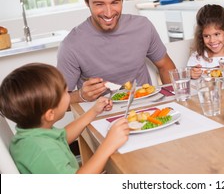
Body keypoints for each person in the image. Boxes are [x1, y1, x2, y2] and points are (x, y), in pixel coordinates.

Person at [57, 0, 176, 103]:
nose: (108, 13)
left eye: (114, 2)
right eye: (99, 4)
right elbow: (58, 103)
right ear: (86, 1)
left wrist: (174, 100)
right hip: (101, 117)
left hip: (145, 110)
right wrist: (82, 95)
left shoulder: (142, 26)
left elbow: (165, 66)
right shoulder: (71, 45)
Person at [0, 63, 130, 174]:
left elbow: (62, 137)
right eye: (64, 91)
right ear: (50, 114)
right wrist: (108, 145)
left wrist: (93, 111)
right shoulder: (43, 150)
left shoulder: (31, 136)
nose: (68, 92)